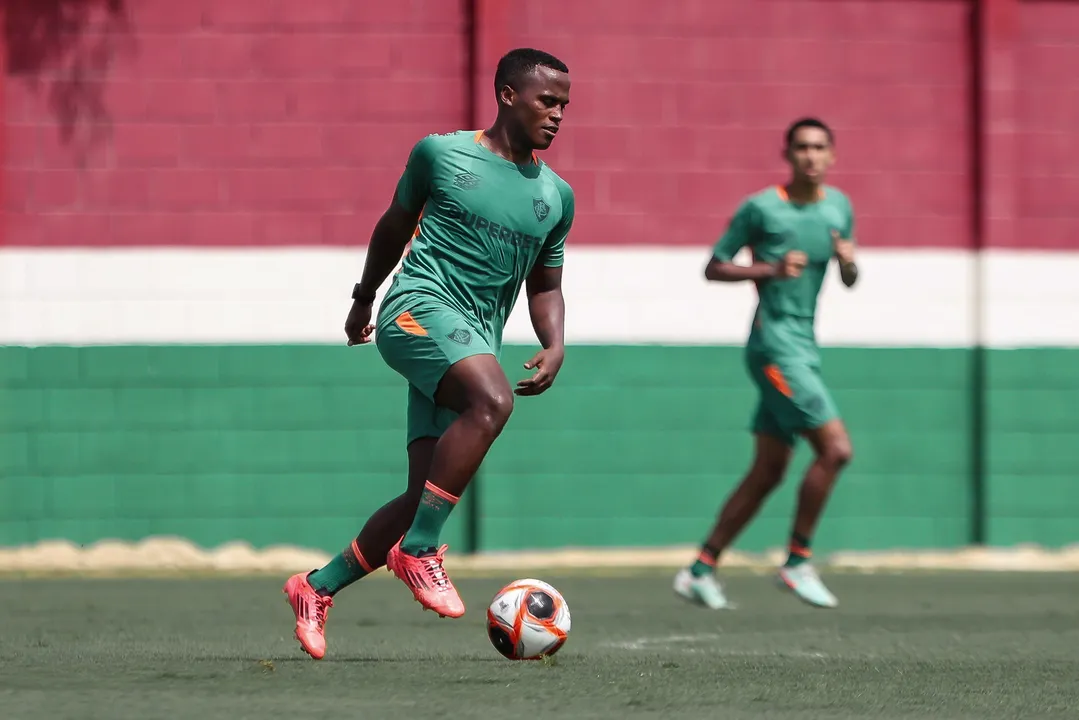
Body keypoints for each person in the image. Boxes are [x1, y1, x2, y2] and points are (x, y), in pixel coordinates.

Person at [282, 48, 575, 659]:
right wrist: (363, 299)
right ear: (506, 95)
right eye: (547, 101)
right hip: (416, 309)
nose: (557, 115)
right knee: (493, 402)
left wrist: (555, 342)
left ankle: (315, 587)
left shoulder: (555, 196)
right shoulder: (441, 153)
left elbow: (544, 283)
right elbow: (392, 225)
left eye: (564, 106)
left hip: (469, 339)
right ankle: (419, 551)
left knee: (424, 491)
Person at [674, 117, 858, 611]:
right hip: (773, 347)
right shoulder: (761, 208)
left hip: (805, 346)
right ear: (788, 153)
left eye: (820, 147)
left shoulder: (840, 208)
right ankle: (797, 560)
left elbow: (850, 278)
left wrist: (848, 262)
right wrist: (770, 269)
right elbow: (714, 265)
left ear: (832, 155)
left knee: (770, 470)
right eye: (802, 147)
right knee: (836, 449)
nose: (811, 156)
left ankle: (700, 570)